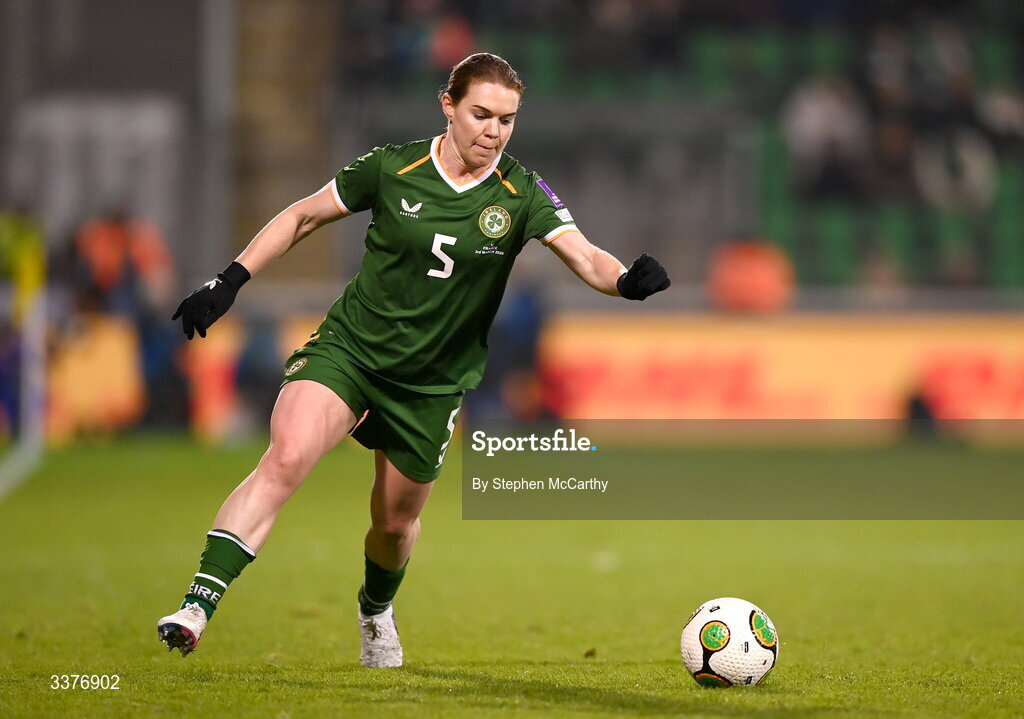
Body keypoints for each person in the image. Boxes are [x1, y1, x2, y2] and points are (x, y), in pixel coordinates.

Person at [157, 53, 670, 667]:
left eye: (507, 120)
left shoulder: (522, 194)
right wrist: (228, 282)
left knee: (394, 526)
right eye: (481, 114)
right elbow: (300, 216)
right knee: (287, 457)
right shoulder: (393, 167)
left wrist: (626, 282)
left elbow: (586, 258)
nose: (493, 132)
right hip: (350, 352)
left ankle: (375, 610)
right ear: (448, 106)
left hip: (430, 387)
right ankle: (197, 605)